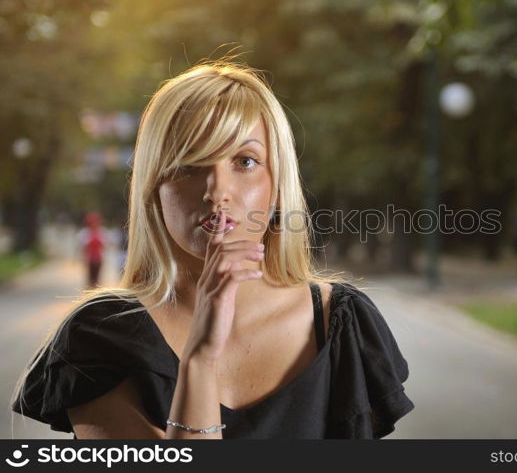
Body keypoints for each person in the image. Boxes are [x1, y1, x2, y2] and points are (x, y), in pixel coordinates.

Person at [11, 59, 414, 439]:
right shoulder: (99, 336)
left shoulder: (342, 324)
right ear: (155, 187)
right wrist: (201, 360)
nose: (216, 192)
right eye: (189, 164)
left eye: (245, 161)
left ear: (278, 186)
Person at [76, 211, 106, 288]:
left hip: (99, 259)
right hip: (89, 259)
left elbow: (105, 245)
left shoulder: (101, 232)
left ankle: (95, 291)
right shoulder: (85, 233)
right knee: (90, 278)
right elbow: (82, 247)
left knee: (97, 278)